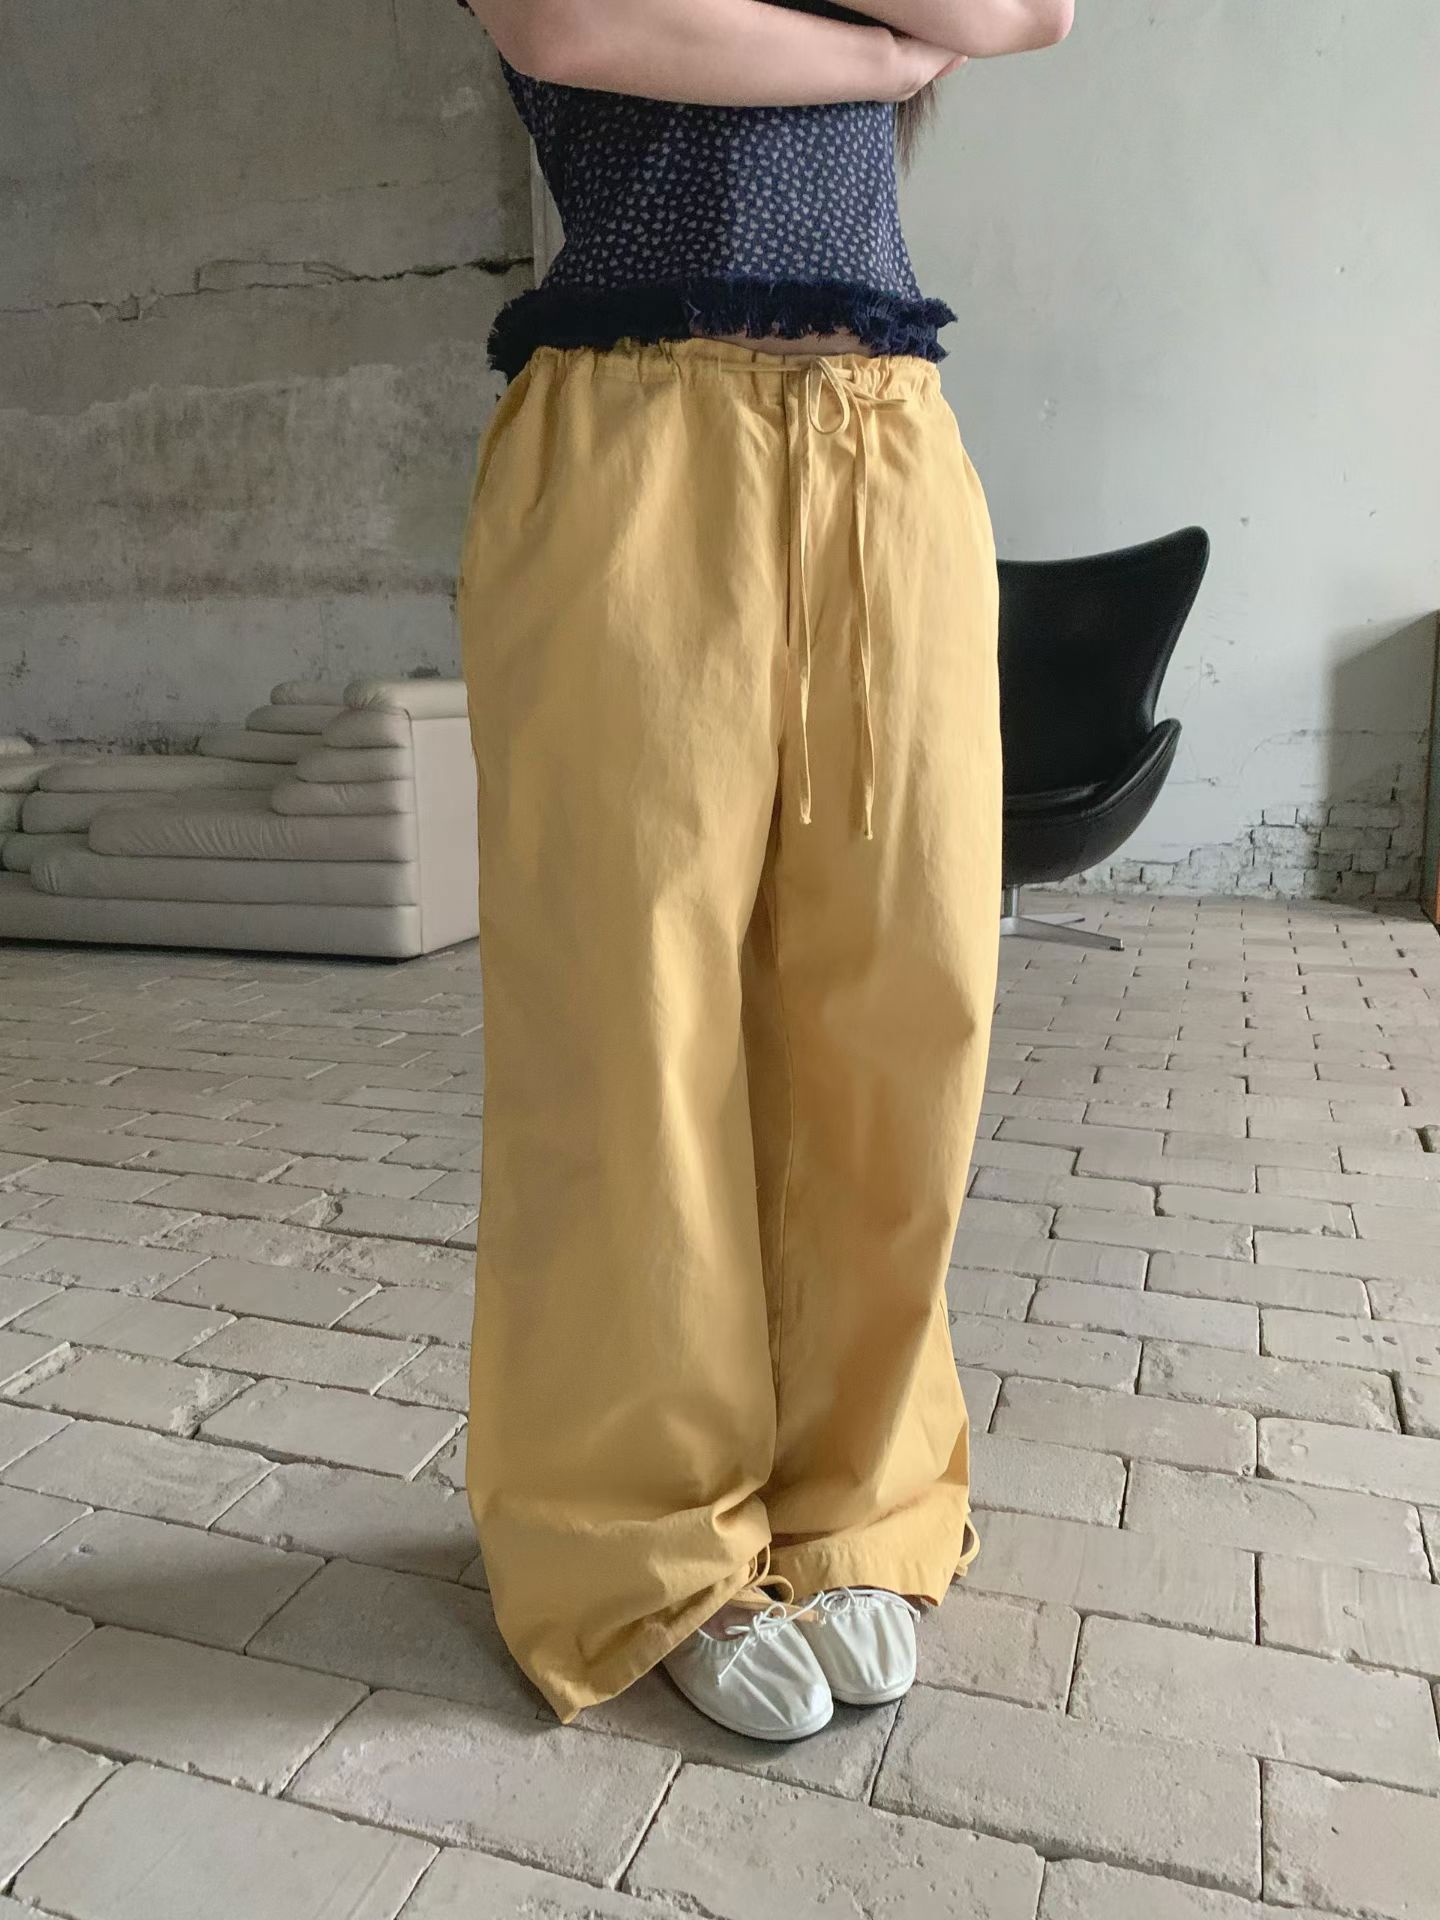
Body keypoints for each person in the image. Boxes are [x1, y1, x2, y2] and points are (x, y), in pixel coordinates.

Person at [451, 0, 1073, 1741]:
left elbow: (1029, 8)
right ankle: (647, 1544)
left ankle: (854, 1502)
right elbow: (572, 21)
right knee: (632, 1026)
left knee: (908, 994)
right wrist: (878, 56)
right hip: (631, 434)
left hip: (886, 428)